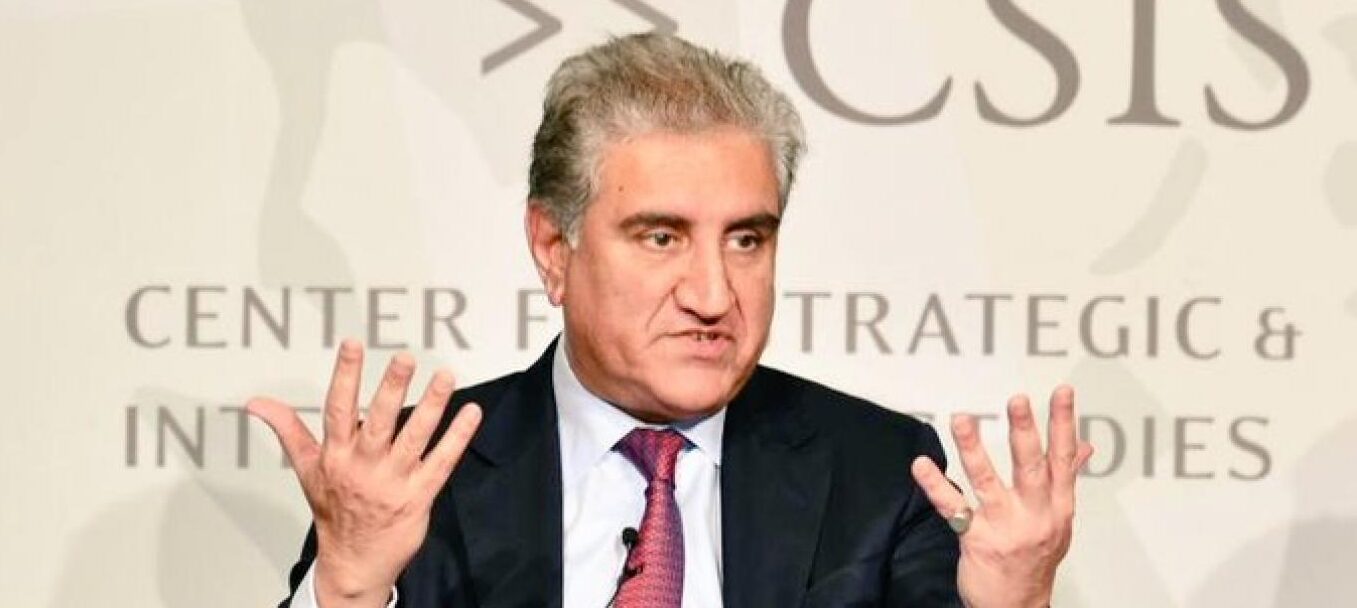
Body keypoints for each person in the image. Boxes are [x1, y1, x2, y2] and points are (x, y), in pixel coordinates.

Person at [249, 33, 1094, 608]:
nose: (713, 294)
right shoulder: (418, 475)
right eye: (661, 237)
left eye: (746, 239)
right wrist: (349, 588)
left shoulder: (878, 472)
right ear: (552, 246)